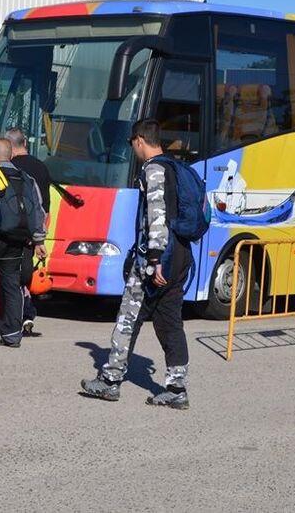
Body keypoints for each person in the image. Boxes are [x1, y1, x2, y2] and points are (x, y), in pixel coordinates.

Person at [80, 118, 192, 410]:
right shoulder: (175, 167)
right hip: (180, 255)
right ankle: (176, 388)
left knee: (127, 317)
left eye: (132, 144)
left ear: (140, 140)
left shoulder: (154, 170)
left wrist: (154, 260)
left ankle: (110, 380)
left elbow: (157, 215)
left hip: (157, 258)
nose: (133, 149)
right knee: (171, 323)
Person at [0, 138, 46, 348]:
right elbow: (38, 210)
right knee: (12, 285)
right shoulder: (27, 178)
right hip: (19, 238)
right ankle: (13, 333)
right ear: (11, 155)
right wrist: (39, 239)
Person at [5, 127, 51, 335]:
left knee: (12, 276)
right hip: (33, 231)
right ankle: (26, 313)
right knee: (25, 272)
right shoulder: (41, 167)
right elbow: (45, 205)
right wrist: (39, 235)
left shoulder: (10, 168)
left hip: (12, 231)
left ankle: (18, 316)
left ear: (9, 146)